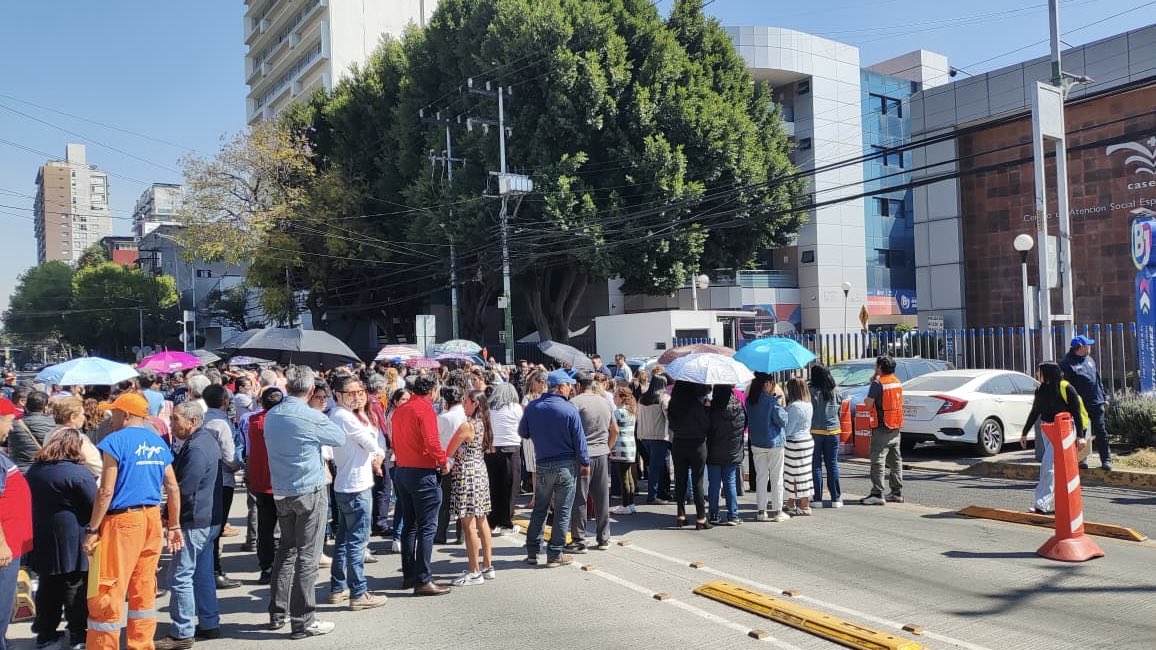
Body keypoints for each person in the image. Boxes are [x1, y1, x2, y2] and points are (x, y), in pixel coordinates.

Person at [83, 392, 182, 650]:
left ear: (125, 415)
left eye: (113, 413)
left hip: (122, 522)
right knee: (144, 588)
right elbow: (172, 486)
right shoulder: (157, 442)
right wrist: (174, 525)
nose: (110, 418)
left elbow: (105, 491)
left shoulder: (114, 441)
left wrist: (92, 528)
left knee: (108, 589)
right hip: (151, 519)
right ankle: (141, 644)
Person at [263, 366, 346, 639]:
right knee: (307, 557)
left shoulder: (273, 414)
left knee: (286, 551)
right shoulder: (309, 415)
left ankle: (278, 613)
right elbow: (338, 438)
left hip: (282, 491)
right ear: (310, 391)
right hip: (308, 490)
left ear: (287, 388)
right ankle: (303, 620)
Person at [154, 402, 223, 650]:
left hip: (194, 520)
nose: (172, 424)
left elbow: (184, 490)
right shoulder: (202, 442)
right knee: (201, 573)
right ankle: (209, 621)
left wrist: (169, 516)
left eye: (176, 419)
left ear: (192, 421)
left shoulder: (197, 448)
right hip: (207, 518)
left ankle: (182, 630)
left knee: (180, 576)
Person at [326, 375, 387, 611]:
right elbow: (371, 441)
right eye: (350, 393)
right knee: (357, 541)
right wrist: (378, 452)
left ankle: (338, 587)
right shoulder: (343, 416)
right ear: (338, 395)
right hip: (356, 486)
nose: (356, 396)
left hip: (347, 483)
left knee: (344, 538)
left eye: (359, 392)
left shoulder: (340, 415)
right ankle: (358, 591)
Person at [27, 429, 91, 650]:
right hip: (72, 536)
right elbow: (94, 503)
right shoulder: (76, 473)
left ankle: (45, 633)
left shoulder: (34, 470)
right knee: (74, 585)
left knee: (47, 585)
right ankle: (77, 634)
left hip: (43, 534)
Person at [519, 370, 588, 567]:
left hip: (543, 462)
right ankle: (555, 553)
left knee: (540, 508)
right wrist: (585, 462)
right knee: (563, 510)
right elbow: (579, 440)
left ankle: (533, 550)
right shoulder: (568, 408)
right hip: (565, 464)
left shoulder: (533, 406)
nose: (571, 388)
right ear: (560, 387)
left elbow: (523, 432)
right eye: (568, 385)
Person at [391, 374, 452, 596]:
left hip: (403, 469)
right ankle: (423, 578)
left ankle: (410, 574)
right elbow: (432, 440)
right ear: (432, 391)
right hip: (422, 471)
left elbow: (395, 440)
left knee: (410, 524)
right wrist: (443, 461)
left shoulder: (401, 410)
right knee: (427, 527)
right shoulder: (424, 409)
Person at [1021, 362, 1088, 514]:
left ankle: (1041, 504)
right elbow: (1035, 411)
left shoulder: (1066, 388)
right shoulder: (1040, 389)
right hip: (1047, 428)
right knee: (1056, 467)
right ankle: (1064, 505)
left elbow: (1076, 413)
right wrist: (1024, 432)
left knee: (1048, 465)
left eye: (1039, 371)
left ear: (1048, 373)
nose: (1037, 374)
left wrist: (1080, 436)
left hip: (1063, 429)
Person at [445, 390, 495, 586]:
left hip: (466, 474)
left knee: (469, 525)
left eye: (466, 401)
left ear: (474, 403)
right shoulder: (484, 423)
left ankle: (474, 570)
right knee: (482, 520)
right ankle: (487, 565)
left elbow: (449, 449)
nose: (463, 404)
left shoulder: (468, 425)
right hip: (480, 471)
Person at [199, 384, 242, 590]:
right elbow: (229, 456)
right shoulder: (221, 424)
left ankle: (210, 569)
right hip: (222, 479)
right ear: (224, 401)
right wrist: (239, 465)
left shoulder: (203, 419)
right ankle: (215, 571)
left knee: (211, 528)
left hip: (207, 479)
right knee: (217, 528)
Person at [568, 372, 617, 551]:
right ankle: (604, 537)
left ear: (578, 386)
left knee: (580, 498)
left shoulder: (575, 403)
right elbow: (615, 430)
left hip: (583, 455)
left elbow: (570, 432)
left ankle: (579, 539)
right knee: (602, 498)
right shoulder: (604, 401)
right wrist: (607, 448)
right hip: (602, 453)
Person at [246, 388, 282, 585]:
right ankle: (279, 566)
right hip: (280, 480)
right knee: (286, 526)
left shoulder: (254, 421)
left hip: (261, 480)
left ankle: (266, 567)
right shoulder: (281, 421)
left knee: (265, 527)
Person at [1060, 335, 1111, 470]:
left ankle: (1106, 460)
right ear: (1080, 347)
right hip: (1079, 406)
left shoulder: (1090, 360)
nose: (1090, 347)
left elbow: (1098, 380)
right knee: (1081, 432)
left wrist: (1105, 397)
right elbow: (1063, 385)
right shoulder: (1066, 364)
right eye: (1087, 345)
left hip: (1096, 402)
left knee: (1101, 432)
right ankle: (1082, 460)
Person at [861, 355, 905, 505]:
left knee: (878, 459)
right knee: (895, 460)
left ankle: (877, 493)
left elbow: (868, 404)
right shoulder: (896, 381)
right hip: (895, 425)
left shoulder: (878, 384)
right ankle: (896, 492)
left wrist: (873, 382)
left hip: (881, 426)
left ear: (879, 367)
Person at [667, 381, 711, 529]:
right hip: (697, 444)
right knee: (697, 481)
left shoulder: (673, 405)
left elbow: (671, 425)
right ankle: (700, 517)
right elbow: (706, 425)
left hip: (679, 443)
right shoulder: (696, 405)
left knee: (680, 480)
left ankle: (680, 515)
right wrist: (706, 410)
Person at [746, 373, 789, 522]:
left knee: (761, 477)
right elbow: (783, 421)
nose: (773, 386)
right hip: (774, 443)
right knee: (777, 478)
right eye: (772, 383)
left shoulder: (749, 401)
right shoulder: (771, 401)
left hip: (757, 443)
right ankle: (778, 511)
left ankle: (761, 511)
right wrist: (777, 401)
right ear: (766, 384)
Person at [485, 383, 523, 536]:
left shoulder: (490, 409)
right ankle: (506, 522)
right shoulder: (516, 408)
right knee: (510, 487)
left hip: (492, 450)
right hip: (511, 448)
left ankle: (492, 521)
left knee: (493, 487)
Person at [707, 385, 747, 526]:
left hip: (714, 451)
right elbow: (744, 425)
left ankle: (713, 514)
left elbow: (707, 428)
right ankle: (733, 515)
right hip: (732, 450)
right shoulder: (739, 408)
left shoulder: (712, 409)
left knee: (714, 484)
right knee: (730, 483)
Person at [434, 384, 467, 546]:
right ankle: (461, 535)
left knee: (445, 501)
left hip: (446, 461)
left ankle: (441, 534)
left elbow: (436, 441)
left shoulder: (442, 417)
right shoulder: (467, 416)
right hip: (464, 462)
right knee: (462, 500)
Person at [809, 365, 844, 508]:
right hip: (834, 431)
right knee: (832, 464)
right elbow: (839, 411)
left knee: (816, 465)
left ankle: (817, 499)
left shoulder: (811, 391)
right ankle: (836, 498)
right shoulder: (836, 391)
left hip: (815, 431)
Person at [635, 376, 671, 505]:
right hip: (659, 436)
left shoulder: (642, 398)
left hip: (644, 436)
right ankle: (653, 495)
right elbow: (669, 416)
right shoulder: (663, 398)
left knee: (653, 466)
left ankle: (658, 492)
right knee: (658, 467)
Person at [783, 378, 815, 516]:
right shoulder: (808, 405)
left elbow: (788, 430)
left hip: (794, 443)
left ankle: (803, 505)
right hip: (807, 441)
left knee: (793, 475)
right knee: (804, 474)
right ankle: (793, 503)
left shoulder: (794, 407)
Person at [49, 398, 103, 478]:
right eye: (82, 414)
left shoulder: (50, 434)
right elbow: (97, 467)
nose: (84, 418)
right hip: (75, 483)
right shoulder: (79, 439)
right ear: (73, 417)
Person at [9, 389, 55, 470]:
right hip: (45, 468)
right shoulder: (53, 424)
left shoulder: (14, 424)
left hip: (20, 469)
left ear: (26, 405)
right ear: (45, 406)